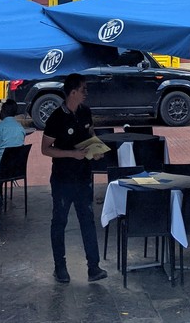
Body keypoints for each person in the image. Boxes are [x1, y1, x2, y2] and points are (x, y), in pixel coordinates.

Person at [41, 73, 107, 284]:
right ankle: (60, 267)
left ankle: (93, 266)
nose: (86, 93)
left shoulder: (86, 112)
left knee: (87, 220)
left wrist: (96, 149)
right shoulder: (56, 118)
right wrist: (71, 154)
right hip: (63, 178)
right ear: (73, 92)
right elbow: (46, 149)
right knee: (59, 221)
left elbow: (91, 135)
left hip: (83, 177)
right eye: (83, 90)